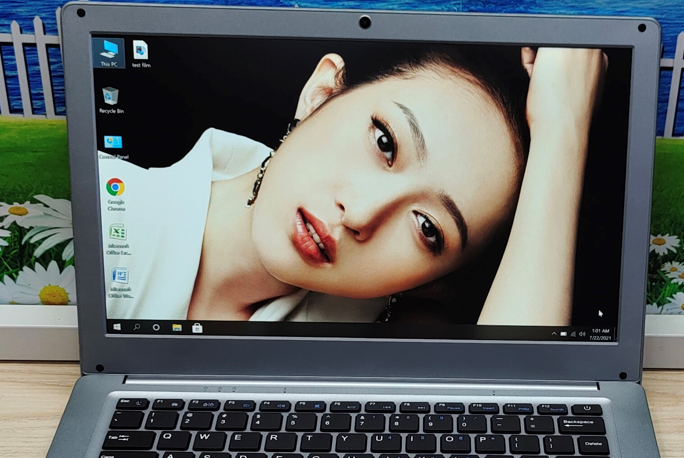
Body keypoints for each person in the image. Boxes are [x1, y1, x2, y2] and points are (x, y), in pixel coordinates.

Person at [101, 44, 604, 325]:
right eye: (385, 142)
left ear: (431, 282)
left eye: (428, 229)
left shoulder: (370, 337)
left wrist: (562, 132)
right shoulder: (103, 212)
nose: (361, 214)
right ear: (321, 94)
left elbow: (506, 425)